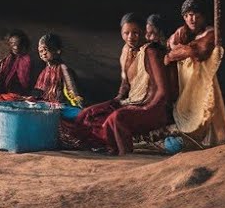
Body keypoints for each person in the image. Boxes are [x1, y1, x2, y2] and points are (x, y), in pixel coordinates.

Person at [62, 13, 176, 153]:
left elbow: (162, 91)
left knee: (117, 118)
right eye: (126, 33)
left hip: (153, 108)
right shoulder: (126, 50)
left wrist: (147, 108)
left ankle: (123, 153)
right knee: (88, 114)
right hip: (132, 102)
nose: (130, 37)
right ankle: (101, 147)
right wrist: (115, 101)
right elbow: (125, 85)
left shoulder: (150, 52)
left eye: (135, 33)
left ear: (143, 32)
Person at [164, 0, 225, 146]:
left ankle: (212, 141)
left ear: (203, 16)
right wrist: (179, 50)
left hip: (204, 80)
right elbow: (169, 48)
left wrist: (180, 51)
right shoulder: (184, 32)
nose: (192, 19)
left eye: (196, 15)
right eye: (187, 15)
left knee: (208, 108)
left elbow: (199, 51)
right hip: (187, 83)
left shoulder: (210, 33)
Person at [31, 33, 83, 107]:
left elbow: (72, 93)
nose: (43, 54)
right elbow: (38, 91)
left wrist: (78, 105)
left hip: (62, 107)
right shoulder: (44, 71)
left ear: (57, 51)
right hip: (47, 106)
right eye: (41, 51)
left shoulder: (63, 69)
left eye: (46, 50)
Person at [0, 29, 38, 94]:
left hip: (22, 93)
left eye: (18, 43)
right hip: (3, 92)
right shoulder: (5, 61)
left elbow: (29, 83)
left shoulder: (29, 61)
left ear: (23, 44)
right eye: (12, 43)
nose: (15, 47)